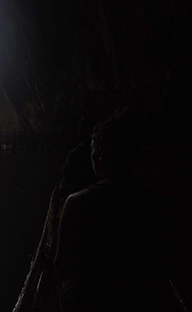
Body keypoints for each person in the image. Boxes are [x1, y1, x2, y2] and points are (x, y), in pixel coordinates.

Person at [54, 110, 177, 311]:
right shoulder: (156, 201)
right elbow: (168, 264)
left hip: (92, 301)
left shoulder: (77, 202)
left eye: (93, 149)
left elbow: (62, 268)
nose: (91, 154)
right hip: (141, 299)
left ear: (101, 154)